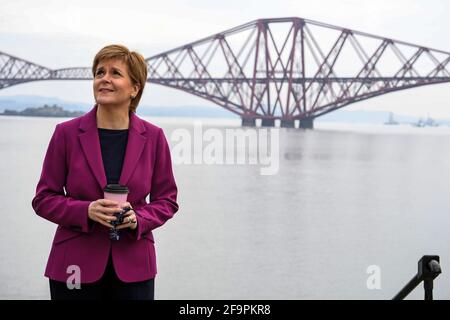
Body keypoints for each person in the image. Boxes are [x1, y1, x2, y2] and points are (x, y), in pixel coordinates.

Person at [31, 44, 179, 300]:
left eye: (115, 73)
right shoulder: (65, 134)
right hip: (73, 267)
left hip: (134, 268)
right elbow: (43, 199)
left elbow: (167, 200)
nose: (104, 79)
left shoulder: (154, 137)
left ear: (135, 88)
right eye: (100, 72)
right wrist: (85, 211)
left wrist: (138, 219)